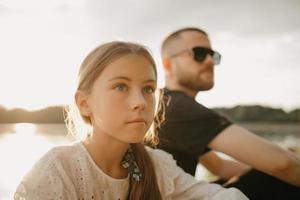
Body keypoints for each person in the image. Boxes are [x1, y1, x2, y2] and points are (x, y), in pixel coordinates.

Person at [14, 41, 248, 200]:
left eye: (148, 89)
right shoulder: (58, 170)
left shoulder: (157, 166)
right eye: (120, 86)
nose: (140, 102)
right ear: (84, 102)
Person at [157, 27, 300, 199]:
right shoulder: (180, 108)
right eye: (199, 53)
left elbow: (219, 166)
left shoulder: (164, 103)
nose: (209, 61)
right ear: (167, 64)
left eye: (213, 55)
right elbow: (283, 163)